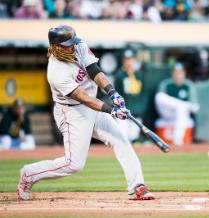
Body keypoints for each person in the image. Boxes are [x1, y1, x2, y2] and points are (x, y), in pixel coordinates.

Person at [16, 25, 154, 201]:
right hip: (73, 113)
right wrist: (113, 111)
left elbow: (94, 71)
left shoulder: (79, 45)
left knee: (121, 141)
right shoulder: (56, 71)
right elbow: (83, 98)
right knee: (74, 165)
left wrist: (113, 93)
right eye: (68, 44)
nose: (73, 46)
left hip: (93, 105)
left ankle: (138, 187)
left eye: (73, 42)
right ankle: (29, 174)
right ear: (56, 46)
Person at [155, 63, 199, 146]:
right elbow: (159, 101)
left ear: (184, 73)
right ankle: (183, 105)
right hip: (167, 113)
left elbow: (195, 108)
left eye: (180, 72)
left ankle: (177, 140)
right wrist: (182, 104)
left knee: (181, 109)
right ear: (172, 73)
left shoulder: (188, 85)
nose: (178, 75)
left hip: (181, 115)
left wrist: (183, 106)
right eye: (176, 72)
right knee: (159, 96)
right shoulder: (166, 84)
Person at [114, 50, 147, 142]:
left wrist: (141, 109)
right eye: (126, 59)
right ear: (123, 61)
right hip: (124, 112)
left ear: (133, 60)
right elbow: (117, 94)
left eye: (130, 59)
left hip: (137, 113)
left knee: (133, 137)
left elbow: (143, 94)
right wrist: (120, 109)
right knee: (123, 137)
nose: (128, 61)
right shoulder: (120, 76)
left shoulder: (139, 75)